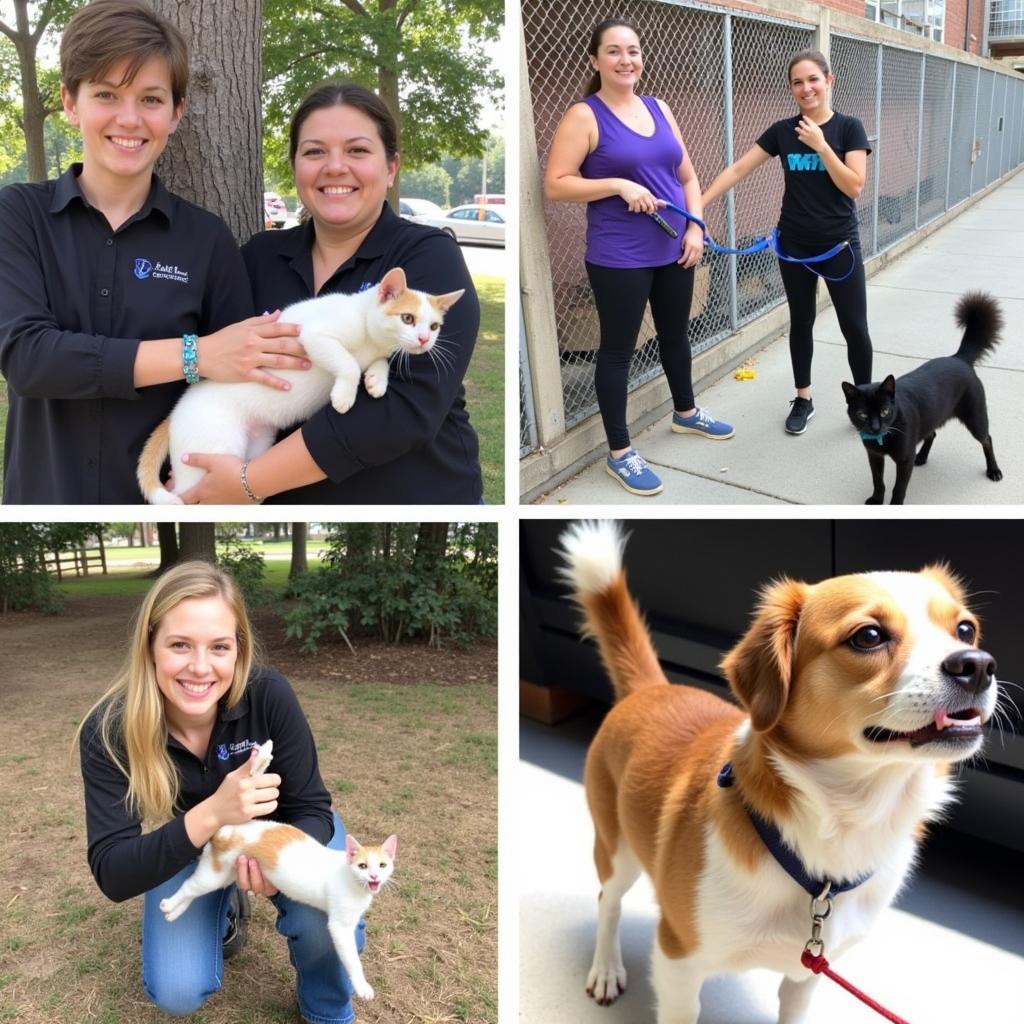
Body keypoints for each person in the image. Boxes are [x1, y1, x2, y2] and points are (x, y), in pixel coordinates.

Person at [0, 0, 309, 504]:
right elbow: (29, 359)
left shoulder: (207, 240)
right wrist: (197, 354)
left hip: (171, 496)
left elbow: (245, 385)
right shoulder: (18, 215)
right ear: (70, 102)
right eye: (106, 94)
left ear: (175, 112)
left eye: (150, 99)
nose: (129, 119)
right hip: (43, 492)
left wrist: (222, 479)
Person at [75, 561, 364, 1023]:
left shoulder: (268, 695)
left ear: (238, 650)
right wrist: (213, 814)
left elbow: (311, 806)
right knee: (176, 991)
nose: (200, 667)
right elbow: (113, 872)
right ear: (150, 647)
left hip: (286, 835)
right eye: (179, 645)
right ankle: (224, 903)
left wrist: (277, 863)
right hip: (197, 841)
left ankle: (327, 1008)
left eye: (219, 647)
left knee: (325, 913)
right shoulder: (109, 729)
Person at [176, 83, 483, 504]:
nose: (335, 167)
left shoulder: (426, 259)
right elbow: (217, 370)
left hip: (410, 498)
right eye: (315, 152)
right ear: (295, 166)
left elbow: (405, 411)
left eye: (357, 151)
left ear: (391, 167)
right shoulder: (258, 257)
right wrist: (191, 466)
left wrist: (249, 482)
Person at [543, 17, 733, 498]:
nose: (625, 59)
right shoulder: (584, 116)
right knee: (618, 352)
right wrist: (617, 184)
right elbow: (556, 183)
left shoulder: (659, 107)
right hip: (619, 257)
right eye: (613, 51)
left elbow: (688, 176)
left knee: (675, 336)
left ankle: (686, 413)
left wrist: (696, 226)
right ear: (595, 60)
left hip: (675, 247)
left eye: (632, 50)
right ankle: (620, 453)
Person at [702, 49, 873, 436]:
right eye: (797, 82)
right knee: (801, 322)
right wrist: (697, 204)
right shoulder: (783, 130)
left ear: (829, 81)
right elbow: (740, 168)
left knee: (854, 327)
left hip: (839, 248)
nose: (806, 88)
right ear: (791, 88)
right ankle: (803, 398)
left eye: (813, 79)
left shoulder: (849, 128)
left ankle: (866, 401)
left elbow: (855, 186)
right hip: (794, 246)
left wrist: (821, 145)